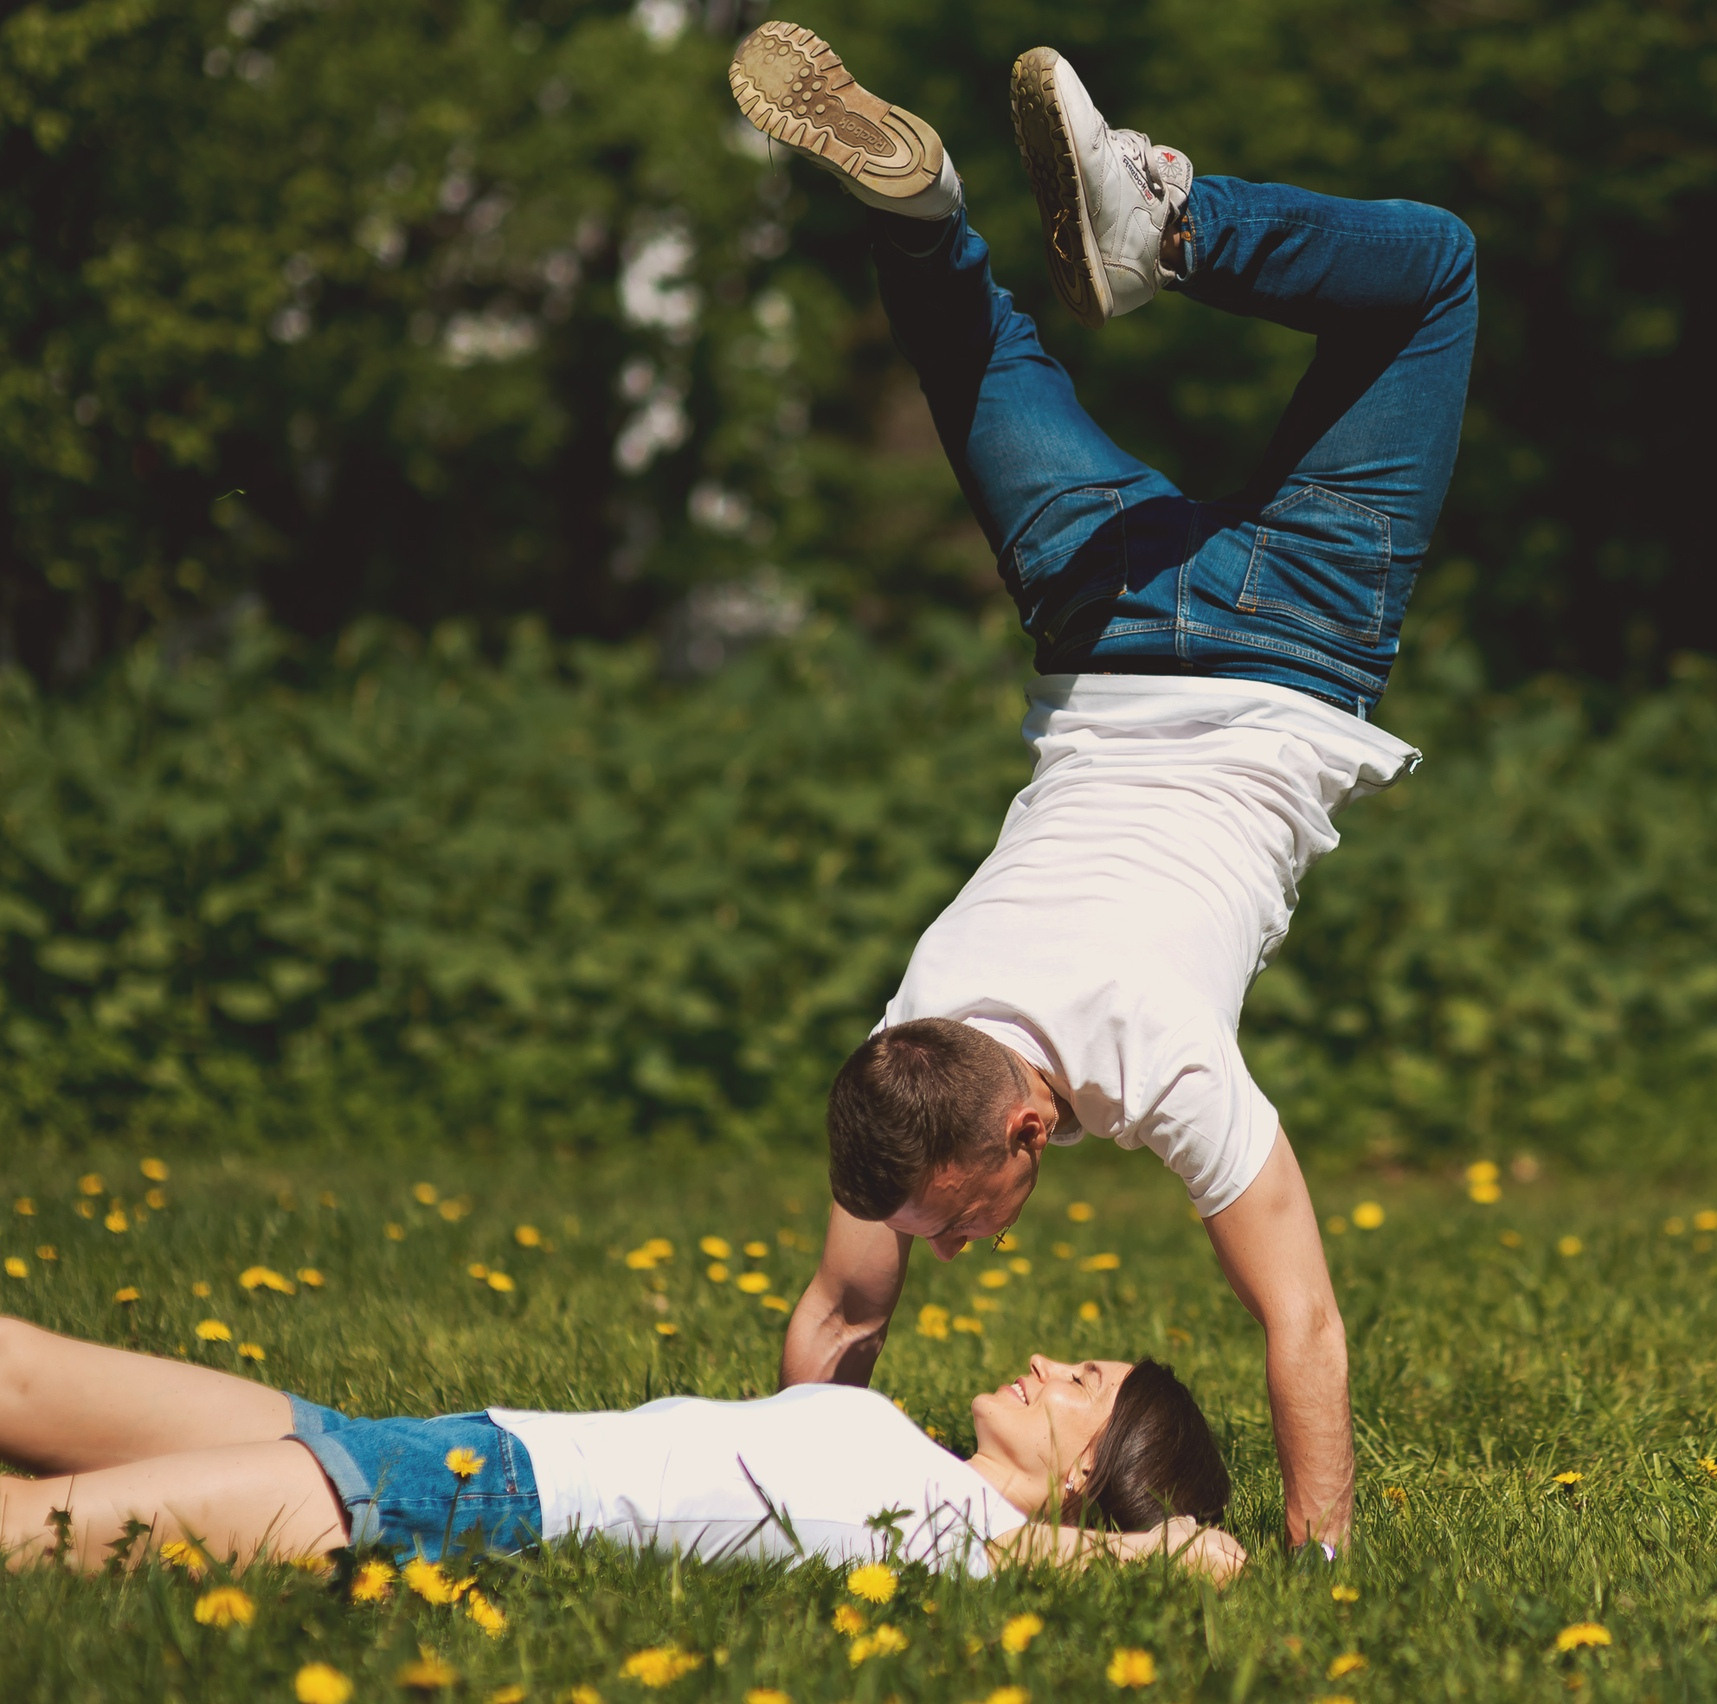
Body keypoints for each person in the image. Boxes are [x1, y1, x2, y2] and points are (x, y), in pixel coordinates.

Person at [729, 22, 1476, 1560]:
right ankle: (943, 215)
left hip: (1299, 643)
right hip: (1101, 618)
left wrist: (1322, 1572)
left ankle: (1172, 216)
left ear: (1017, 1126)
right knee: (977, 353)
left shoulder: (1164, 1059)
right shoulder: (911, 1037)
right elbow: (842, 1307)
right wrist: (788, 1493)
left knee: (1439, 278)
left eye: (953, 1217)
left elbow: (1307, 1321)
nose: (946, 1247)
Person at [0, 1314, 1239, 1580]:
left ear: (1094, 1472)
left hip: (450, 1501)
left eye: (1084, 1384)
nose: (1048, 1362)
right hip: (422, 1444)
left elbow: (1205, 1560)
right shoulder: (920, 1473)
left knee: (24, 1537)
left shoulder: (970, 1542)